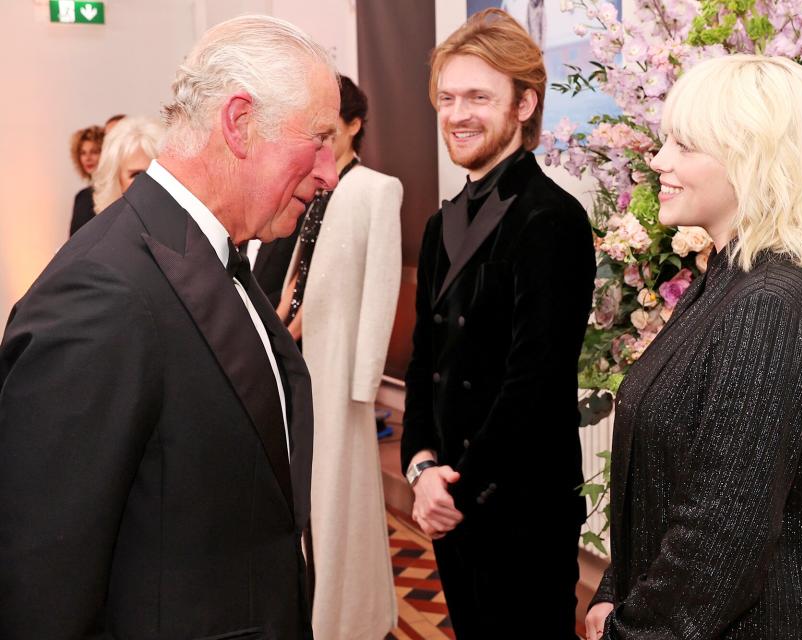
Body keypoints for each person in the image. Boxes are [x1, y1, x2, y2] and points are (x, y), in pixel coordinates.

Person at [0, 14, 339, 639]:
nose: (329, 173)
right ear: (239, 122)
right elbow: (42, 589)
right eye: (317, 139)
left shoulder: (208, 253)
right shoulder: (103, 292)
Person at [584, 54, 802, 640]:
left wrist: (628, 630)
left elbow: (720, 539)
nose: (659, 161)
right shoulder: (728, 281)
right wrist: (613, 589)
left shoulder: (769, 305)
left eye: (684, 144)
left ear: (750, 160)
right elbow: (669, 481)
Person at [400, 9, 596, 639]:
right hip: (451, 501)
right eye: (448, 98)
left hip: (521, 508)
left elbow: (533, 382)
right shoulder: (439, 224)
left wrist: (453, 489)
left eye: (479, 97)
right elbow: (424, 360)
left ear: (523, 103)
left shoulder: (552, 220)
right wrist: (419, 467)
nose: (458, 114)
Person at [277, 74, 403, 640]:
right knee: (306, 492)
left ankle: (350, 618)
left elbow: (382, 287)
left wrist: (364, 381)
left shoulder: (378, 188)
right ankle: (313, 607)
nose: (322, 143)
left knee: (340, 498)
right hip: (299, 355)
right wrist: (281, 321)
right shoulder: (318, 184)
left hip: (341, 367)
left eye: (332, 128)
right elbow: (301, 268)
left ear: (355, 124)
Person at [91, 116, 164, 214]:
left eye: (157, 172)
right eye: (137, 174)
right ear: (115, 180)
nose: (149, 181)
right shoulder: (106, 228)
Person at [68, 124, 104, 236]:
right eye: (83, 153)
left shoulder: (115, 192)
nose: (88, 158)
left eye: (94, 152)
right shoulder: (81, 197)